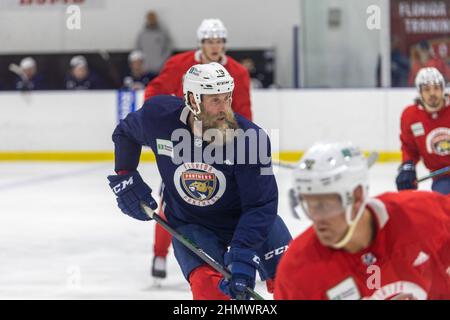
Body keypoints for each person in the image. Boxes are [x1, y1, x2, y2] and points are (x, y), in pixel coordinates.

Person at [108, 63, 292, 300]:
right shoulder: (158, 116)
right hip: (193, 225)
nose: (225, 108)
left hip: (246, 221)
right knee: (211, 292)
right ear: (193, 100)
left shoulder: (249, 139)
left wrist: (243, 253)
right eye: (215, 100)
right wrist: (125, 177)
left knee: (296, 283)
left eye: (227, 98)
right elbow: (125, 133)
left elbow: (259, 206)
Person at [144, 18, 253, 281]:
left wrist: (240, 140)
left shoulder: (237, 72)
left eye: (218, 41)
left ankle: (236, 256)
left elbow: (244, 111)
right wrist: (161, 123)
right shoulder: (180, 64)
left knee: (226, 198)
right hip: (184, 140)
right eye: (209, 41)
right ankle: (160, 253)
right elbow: (153, 93)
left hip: (219, 143)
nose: (214, 46)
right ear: (201, 43)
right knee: (173, 199)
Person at [274, 142, 450, 300]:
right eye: (310, 205)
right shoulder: (297, 269)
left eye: (326, 205)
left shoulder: (420, 213)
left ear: (357, 197)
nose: (317, 219)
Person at [396, 67, 449, 195]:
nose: (432, 93)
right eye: (427, 89)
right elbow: (409, 148)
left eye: (436, 88)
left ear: (443, 89)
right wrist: (408, 166)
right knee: (444, 207)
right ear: (419, 92)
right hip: (442, 177)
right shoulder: (411, 116)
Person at [136, 10, 172, 75]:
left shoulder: (162, 33)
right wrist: (142, 65)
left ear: (156, 19)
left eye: (153, 18)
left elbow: (168, 49)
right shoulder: (142, 34)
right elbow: (138, 50)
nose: (151, 20)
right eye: (150, 18)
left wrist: (162, 62)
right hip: (145, 70)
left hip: (160, 69)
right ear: (147, 19)